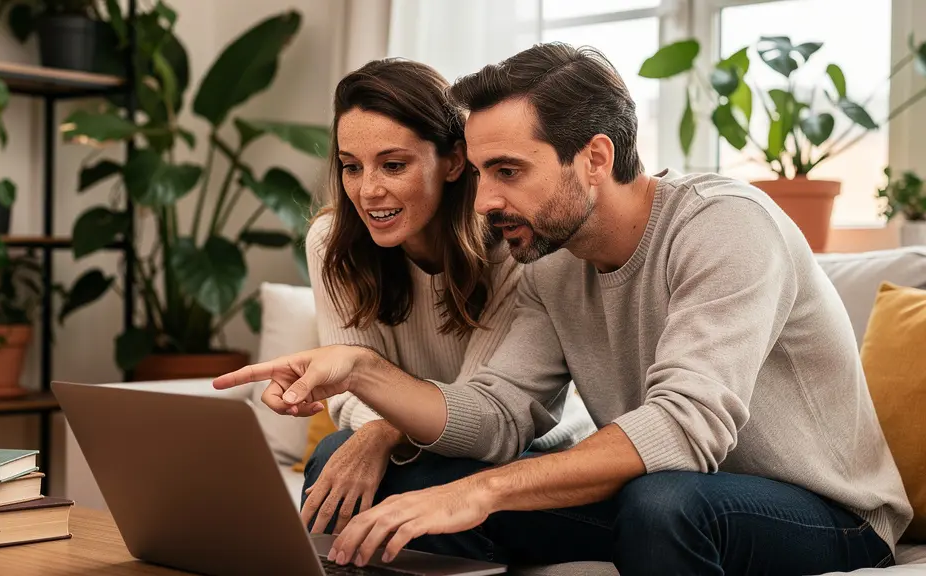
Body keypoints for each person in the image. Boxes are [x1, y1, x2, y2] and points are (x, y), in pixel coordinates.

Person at [215, 43, 913, 575]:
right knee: (407, 486)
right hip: (657, 490)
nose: (484, 202)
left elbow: (687, 428)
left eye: (508, 171)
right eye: (482, 171)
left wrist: (487, 493)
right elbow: (495, 415)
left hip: (826, 509)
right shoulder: (548, 259)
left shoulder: (724, 224)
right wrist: (362, 372)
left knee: (661, 502)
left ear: (594, 158)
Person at [296, 58, 593, 537]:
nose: (368, 190)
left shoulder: (515, 248)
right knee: (336, 460)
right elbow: (352, 391)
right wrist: (376, 428)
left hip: (523, 449)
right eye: (352, 167)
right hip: (420, 448)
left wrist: (385, 431)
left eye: (393, 165)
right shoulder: (332, 244)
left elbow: (478, 413)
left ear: (454, 161)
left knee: (417, 484)